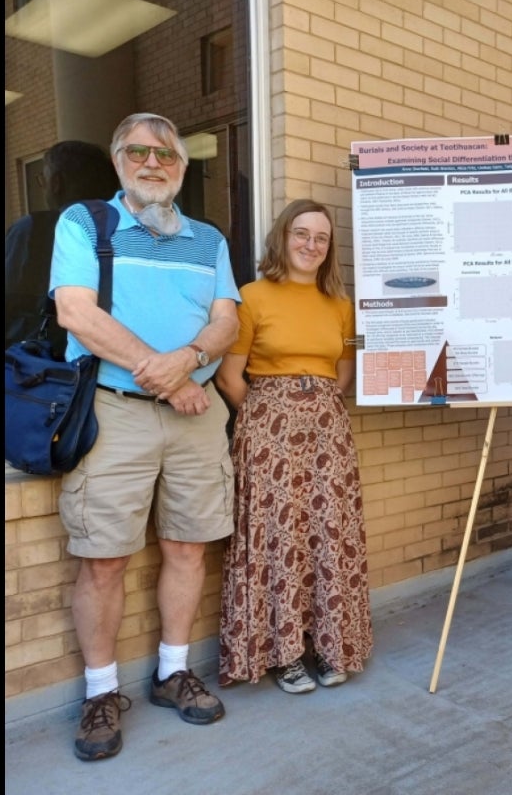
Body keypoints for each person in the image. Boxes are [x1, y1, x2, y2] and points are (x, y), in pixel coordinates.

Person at [50, 113, 240, 761]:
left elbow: (225, 323)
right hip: (116, 412)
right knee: (103, 558)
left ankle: (171, 672)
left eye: (165, 155)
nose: (152, 162)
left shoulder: (208, 239)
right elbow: (76, 312)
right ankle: (101, 692)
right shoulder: (84, 225)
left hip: (195, 412)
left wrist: (185, 362)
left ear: (182, 168)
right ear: (118, 160)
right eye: (138, 152)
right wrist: (165, 378)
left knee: (188, 550)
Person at [215, 198, 373, 694]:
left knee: (330, 533)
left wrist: (311, 406)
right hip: (268, 434)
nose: (311, 244)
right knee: (278, 538)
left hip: (327, 432)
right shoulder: (253, 296)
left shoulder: (341, 306)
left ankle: (329, 646)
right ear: (283, 237)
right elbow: (228, 377)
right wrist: (270, 415)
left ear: (330, 249)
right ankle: (283, 655)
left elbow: (341, 376)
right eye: (301, 234)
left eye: (321, 238)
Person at [5, 140, 119, 356]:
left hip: (45, 366)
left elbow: (9, 296)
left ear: (56, 183)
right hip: (116, 359)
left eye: (43, 180)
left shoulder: (33, 229)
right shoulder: (131, 227)